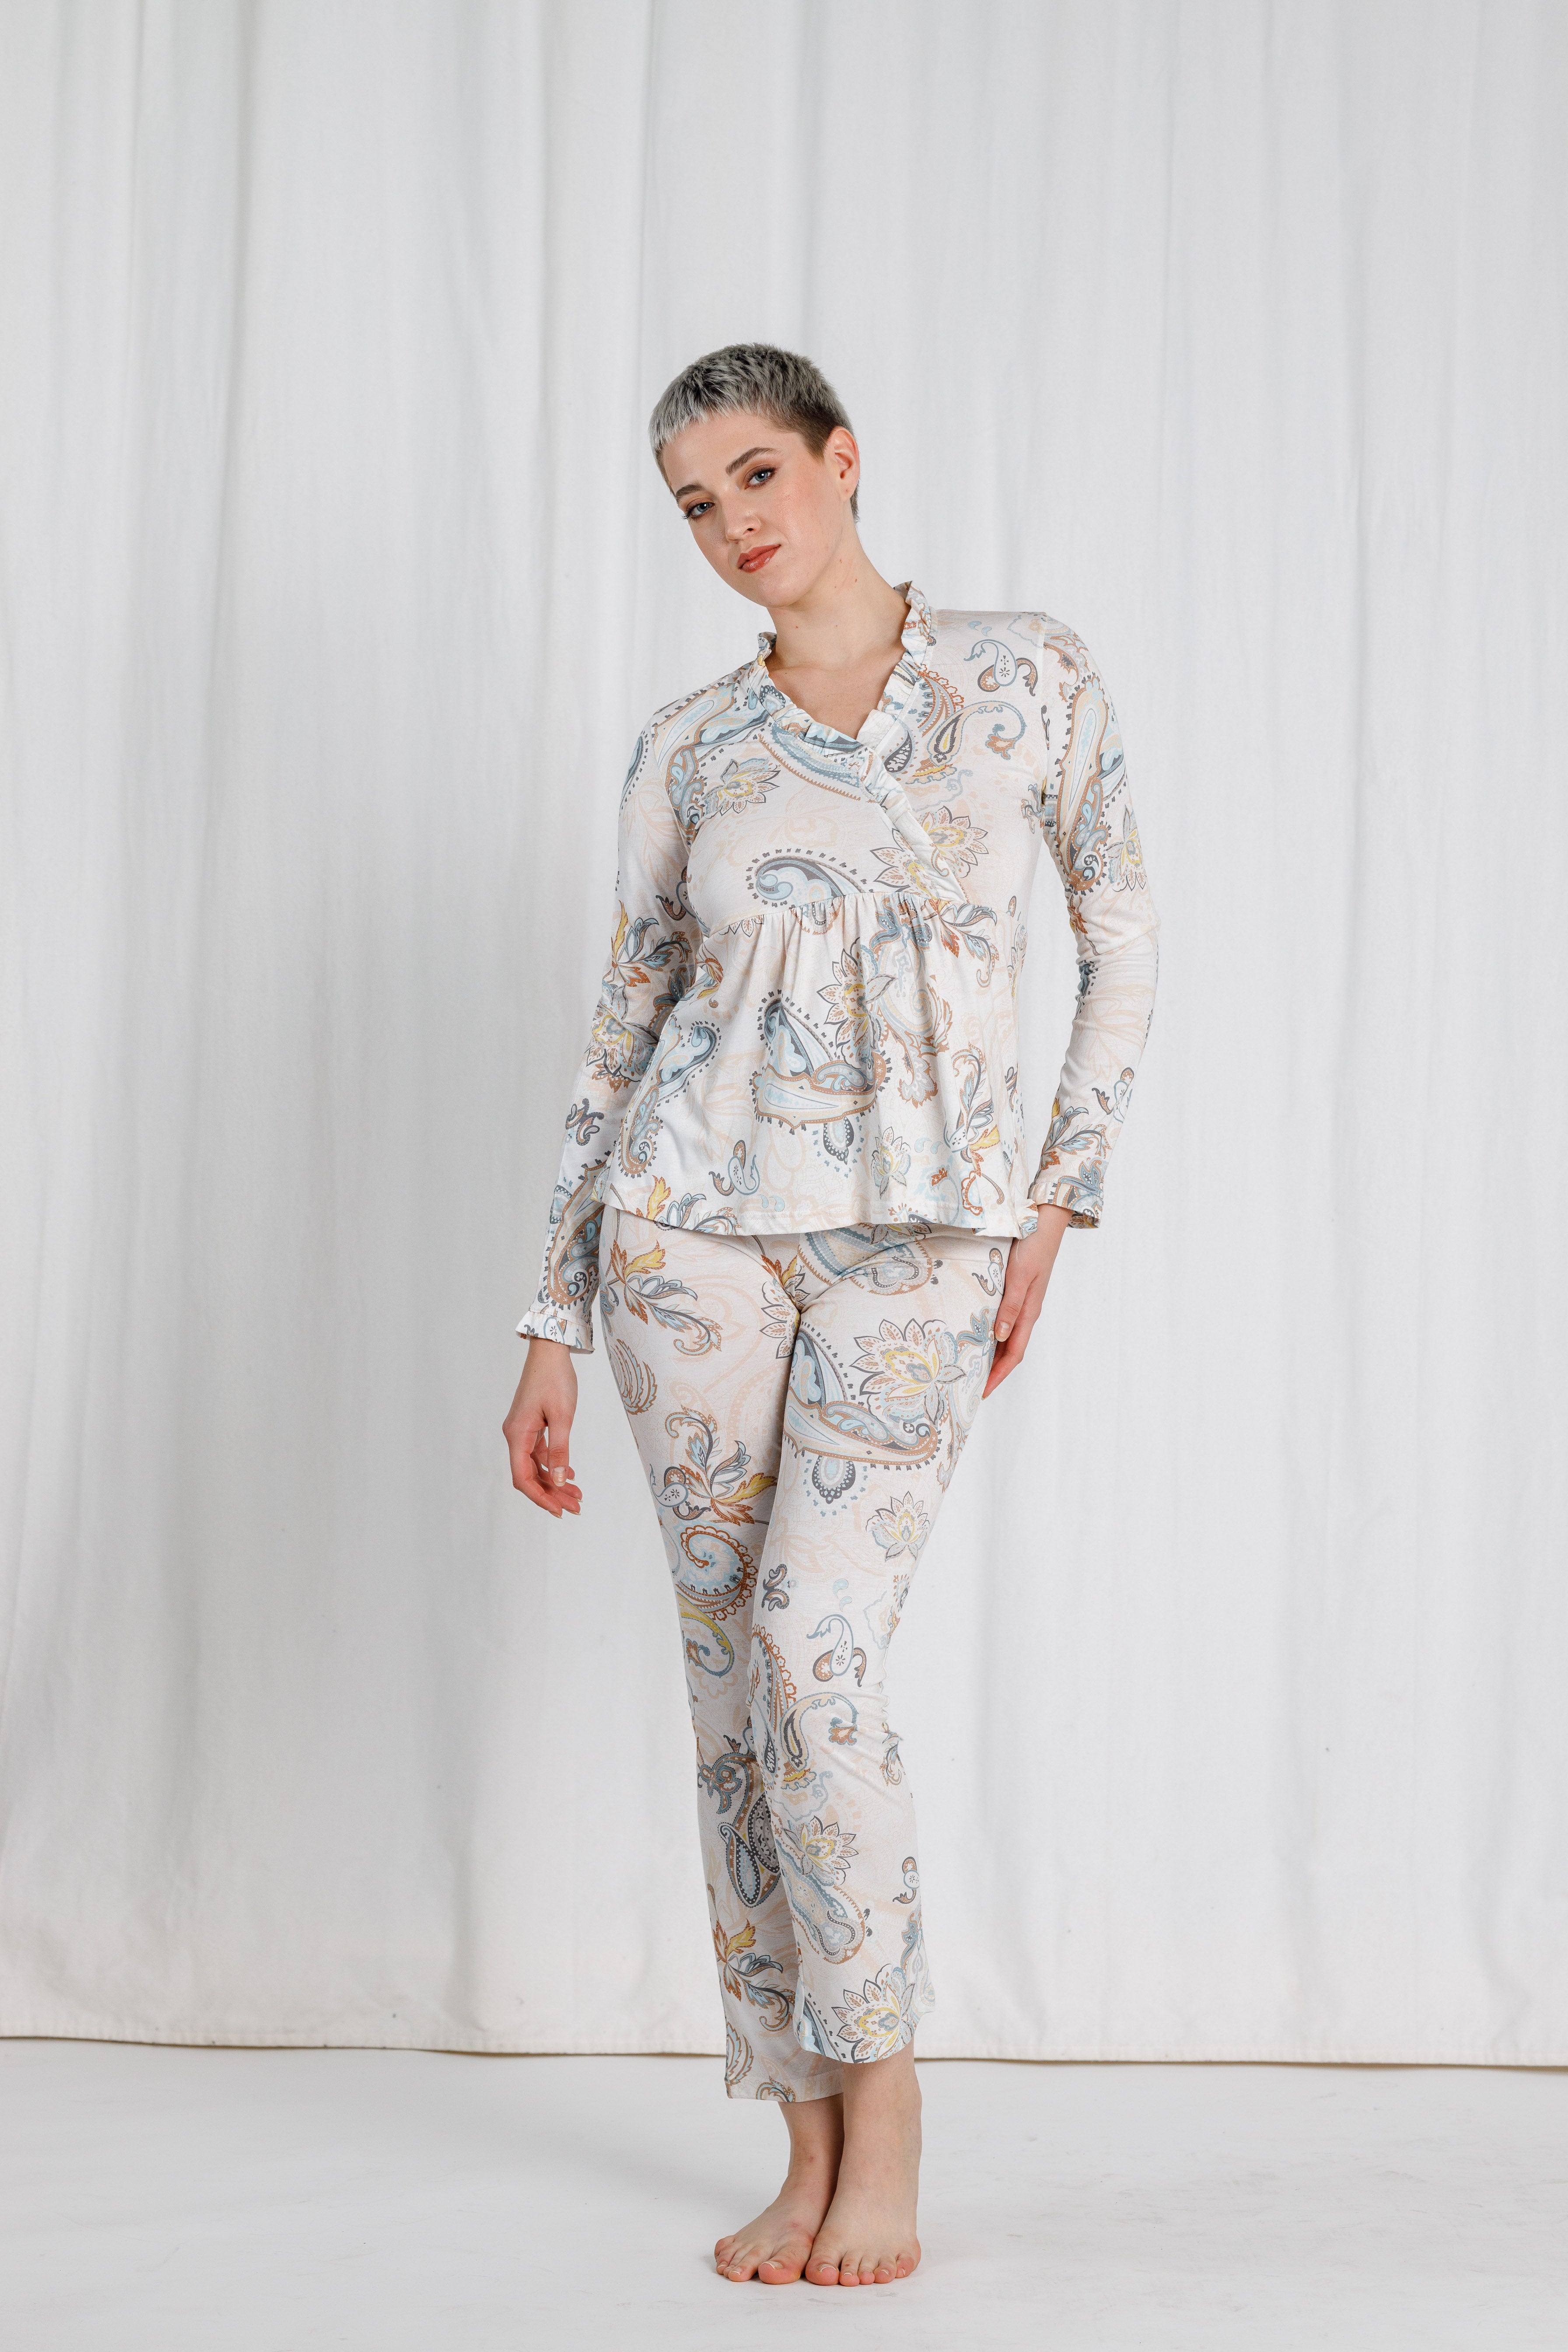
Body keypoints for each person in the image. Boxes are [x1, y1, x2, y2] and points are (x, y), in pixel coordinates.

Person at [503, 343, 1160, 2289]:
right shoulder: (689, 746)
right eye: (695, 505)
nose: (733, 525)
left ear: (842, 458)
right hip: (687, 1245)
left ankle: (889, 2103)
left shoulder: (1026, 680)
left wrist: (1057, 1197)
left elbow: (1123, 938)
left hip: (921, 1248)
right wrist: (547, 1316)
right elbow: (624, 1026)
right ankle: (797, 2141)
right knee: (733, 1693)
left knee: (815, 1650)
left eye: (758, 476)